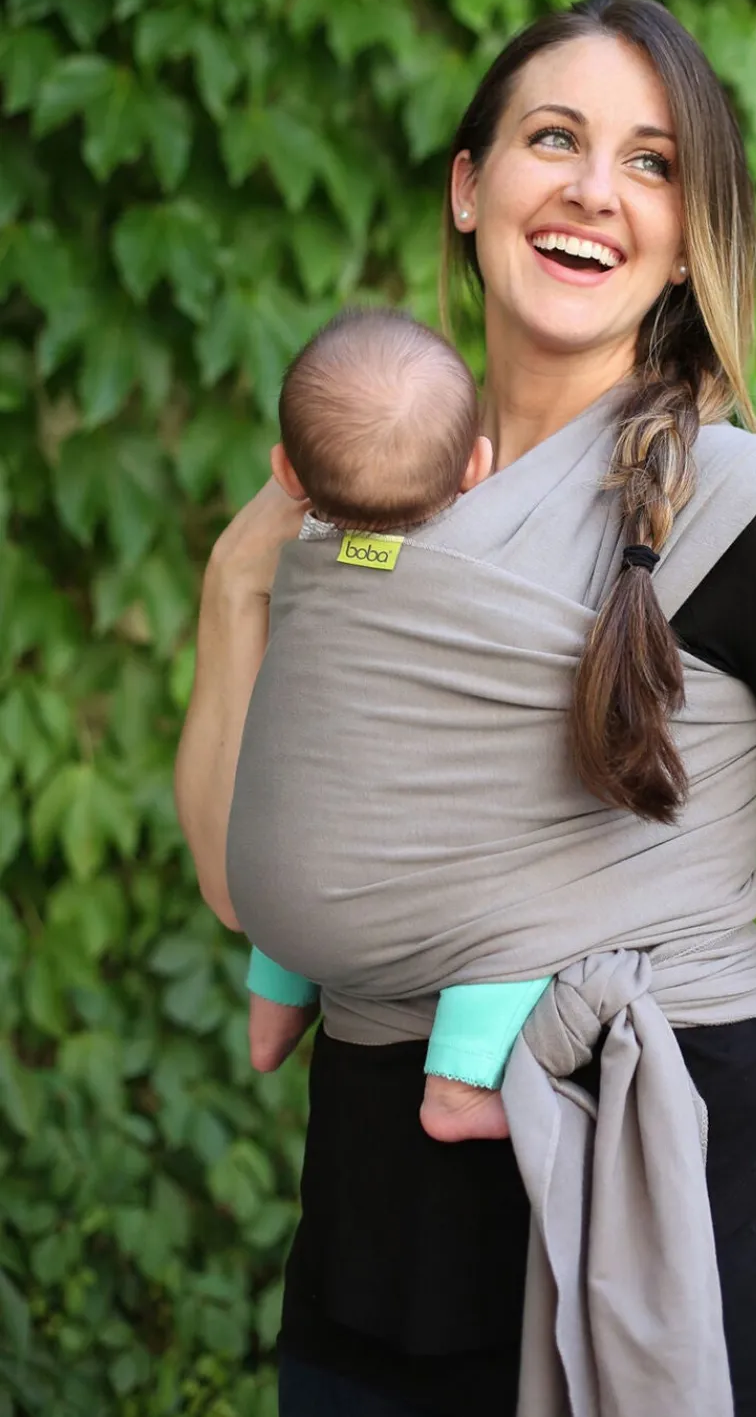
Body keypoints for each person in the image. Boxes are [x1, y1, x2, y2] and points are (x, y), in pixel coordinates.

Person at [175, 0, 756, 1417]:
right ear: (469, 187)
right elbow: (243, 879)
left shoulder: (754, 517)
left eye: (651, 162)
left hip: (673, 1273)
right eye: (554, 139)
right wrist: (236, 583)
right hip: (370, 1277)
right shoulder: (365, 495)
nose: (595, 188)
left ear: (686, 233)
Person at [238, 304, 549, 1143]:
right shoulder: (479, 577)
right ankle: (456, 1088)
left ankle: (270, 1017)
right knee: (537, 907)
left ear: (287, 473)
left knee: (310, 820)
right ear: (478, 465)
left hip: (272, 900)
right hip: (397, 916)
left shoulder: (297, 567)